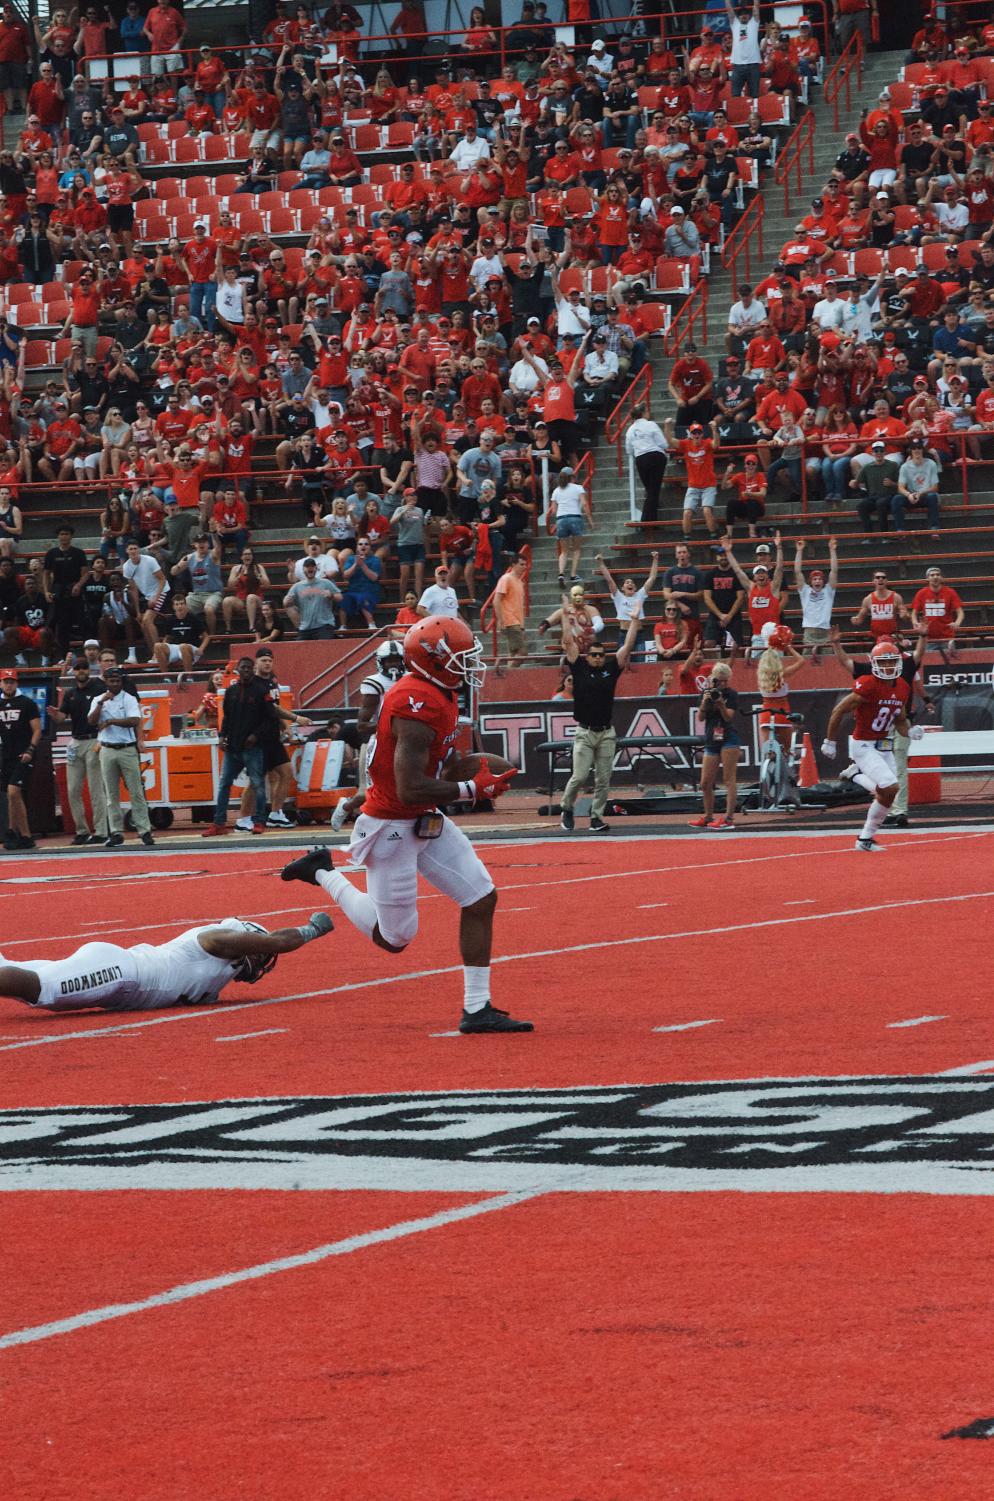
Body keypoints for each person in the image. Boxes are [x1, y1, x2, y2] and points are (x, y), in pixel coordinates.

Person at [280, 615, 531, 1034]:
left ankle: (476, 1007)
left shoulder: (441, 692)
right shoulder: (414, 701)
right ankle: (322, 871)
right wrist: (473, 789)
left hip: (422, 816)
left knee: (481, 898)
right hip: (392, 825)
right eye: (462, 657)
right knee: (394, 939)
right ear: (435, 660)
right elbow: (411, 786)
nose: (470, 665)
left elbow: (445, 764)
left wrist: (487, 771)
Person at [0, 913, 333, 1014]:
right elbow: (278, 941)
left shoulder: (223, 972)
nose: (260, 962)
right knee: (48, 991)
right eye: (257, 953)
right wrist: (313, 930)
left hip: (124, 982)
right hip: (123, 973)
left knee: (22, 971)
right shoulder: (217, 940)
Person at [821, 640, 921, 852]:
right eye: (883, 663)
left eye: (891, 662)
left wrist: (910, 731)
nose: (887, 667)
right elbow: (838, 710)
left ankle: (865, 838)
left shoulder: (902, 686)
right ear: (874, 664)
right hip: (864, 744)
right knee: (889, 785)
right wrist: (829, 741)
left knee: (889, 793)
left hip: (884, 745)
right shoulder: (868, 683)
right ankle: (856, 774)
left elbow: (900, 720)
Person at [558, 606, 641, 834]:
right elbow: (568, 642)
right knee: (580, 776)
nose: (596, 658)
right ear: (588, 656)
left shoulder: (611, 669)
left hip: (606, 732)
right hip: (584, 732)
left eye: (600, 655)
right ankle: (566, 807)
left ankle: (596, 817)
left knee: (603, 779)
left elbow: (627, 648)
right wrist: (566, 619)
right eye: (593, 655)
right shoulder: (580, 667)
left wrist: (634, 621)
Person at [202, 656, 276, 837]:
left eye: (248, 668)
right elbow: (226, 718)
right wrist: (221, 736)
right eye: (243, 668)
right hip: (233, 748)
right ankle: (219, 823)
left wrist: (255, 736)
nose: (246, 671)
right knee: (224, 784)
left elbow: (270, 719)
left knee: (258, 784)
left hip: (253, 748)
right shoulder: (230, 692)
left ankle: (258, 821)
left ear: (252, 670)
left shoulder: (261, 691)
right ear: (238, 670)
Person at [87, 663, 155, 848]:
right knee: (111, 794)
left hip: (126, 748)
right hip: (107, 749)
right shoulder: (97, 699)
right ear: (106, 682)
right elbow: (91, 721)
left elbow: (134, 720)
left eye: (118, 681)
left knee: (136, 791)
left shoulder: (129, 698)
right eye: (112, 681)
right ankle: (116, 831)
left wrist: (110, 721)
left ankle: (144, 830)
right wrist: (102, 703)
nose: (115, 684)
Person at [47, 655, 107, 844]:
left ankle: (101, 831)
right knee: (73, 789)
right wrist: (54, 714)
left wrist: (103, 737)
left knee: (95, 788)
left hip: (93, 740)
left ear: (89, 669)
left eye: (84, 667)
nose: (81, 671)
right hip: (76, 741)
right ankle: (81, 830)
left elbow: (108, 710)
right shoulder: (70, 693)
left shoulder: (98, 687)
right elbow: (61, 718)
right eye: (78, 668)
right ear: (73, 671)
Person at [688, 660, 740, 831]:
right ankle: (708, 815)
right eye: (720, 680)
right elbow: (701, 718)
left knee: (729, 779)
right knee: (705, 782)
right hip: (712, 737)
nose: (723, 684)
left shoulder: (731, 694)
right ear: (714, 679)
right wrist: (705, 701)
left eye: (726, 681)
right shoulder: (706, 693)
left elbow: (728, 717)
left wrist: (721, 705)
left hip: (728, 736)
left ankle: (729, 817)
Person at [0, 668, 41, 851]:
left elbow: (37, 730)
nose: (9, 684)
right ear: (1, 683)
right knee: (13, 796)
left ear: (16, 683)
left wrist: (30, 749)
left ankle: (11, 830)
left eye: (12, 681)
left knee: (13, 792)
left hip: (22, 754)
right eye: (6, 681)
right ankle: (25, 836)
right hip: (5, 755)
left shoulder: (27, 703)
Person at [547, 465, 592, 588]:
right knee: (576, 549)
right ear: (572, 477)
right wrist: (590, 520)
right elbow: (584, 504)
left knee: (564, 551)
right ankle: (573, 575)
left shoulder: (556, 490)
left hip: (561, 519)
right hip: (575, 518)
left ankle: (561, 574)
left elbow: (553, 510)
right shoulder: (578, 488)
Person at [793, 536, 838, 660]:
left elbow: (834, 571)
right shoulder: (805, 591)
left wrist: (832, 550)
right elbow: (797, 572)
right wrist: (799, 551)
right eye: (815, 579)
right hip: (810, 632)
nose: (817, 581)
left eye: (820, 579)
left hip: (825, 632)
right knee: (807, 663)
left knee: (829, 663)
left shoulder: (828, 591)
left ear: (823, 582)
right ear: (811, 582)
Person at [624, 402, 669, 523]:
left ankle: (651, 521)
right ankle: (647, 521)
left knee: (651, 490)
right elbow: (663, 444)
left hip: (640, 459)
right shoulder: (651, 425)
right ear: (644, 413)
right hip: (655, 457)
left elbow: (629, 449)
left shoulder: (630, 430)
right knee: (653, 490)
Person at [911, 566, 964, 655]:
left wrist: (957, 623)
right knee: (928, 664)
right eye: (932, 575)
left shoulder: (950, 592)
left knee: (949, 664)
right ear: (927, 578)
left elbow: (960, 612)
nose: (935, 577)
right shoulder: (921, 593)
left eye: (938, 575)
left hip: (947, 636)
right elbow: (914, 613)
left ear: (942, 578)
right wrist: (915, 622)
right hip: (928, 637)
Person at [493, 554, 529, 673]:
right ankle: (508, 675)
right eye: (521, 564)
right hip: (511, 621)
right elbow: (496, 600)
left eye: (525, 564)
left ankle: (508, 676)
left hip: (517, 622)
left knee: (513, 653)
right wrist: (501, 620)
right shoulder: (506, 578)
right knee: (522, 652)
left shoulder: (519, 581)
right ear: (513, 565)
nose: (524, 567)